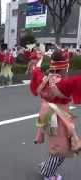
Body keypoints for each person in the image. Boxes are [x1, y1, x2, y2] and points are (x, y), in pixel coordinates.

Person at [30, 49, 81, 180]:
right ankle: (47, 171)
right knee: (62, 148)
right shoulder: (65, 83)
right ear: (65, 66)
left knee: (57, 144)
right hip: (57, 117)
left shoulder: (44, 79)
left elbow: (35, 70)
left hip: (47, 114)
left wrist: (39, 60)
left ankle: (48, 166)